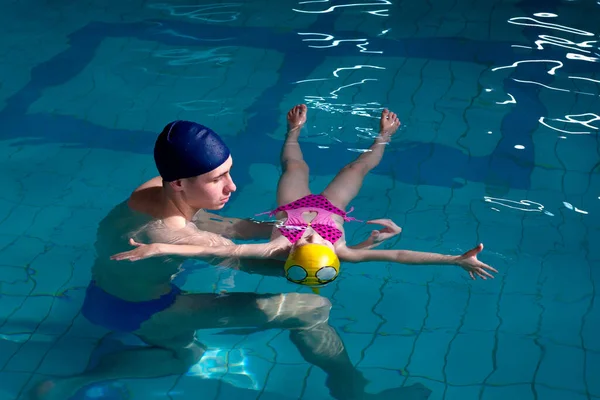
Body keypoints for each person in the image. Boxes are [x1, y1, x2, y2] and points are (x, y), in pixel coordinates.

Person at [34, 114, 431, 400]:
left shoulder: (153, 188)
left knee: (190, 345)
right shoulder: (172, 234)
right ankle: (352, 389)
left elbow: (225, 226)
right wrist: (348, 249)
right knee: (310, 306)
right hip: (145, 311)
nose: (232, 185)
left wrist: (296, 228)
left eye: (229, 171)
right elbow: (266, 263)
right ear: (179, 182)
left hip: (105, 293)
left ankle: (80, 379)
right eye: (217, 179)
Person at [112, 104, 497, 283]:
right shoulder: (337, 249)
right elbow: (396, 256)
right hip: (332, 207)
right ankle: (383, 137)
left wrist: (161, 248)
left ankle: (293, 133)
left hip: (293, 206)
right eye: (219, 178)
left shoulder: (274, 247)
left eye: (304, 241)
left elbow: (215, 249)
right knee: (355, 168)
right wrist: (450, 259)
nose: (309, 235)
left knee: (295, 167)